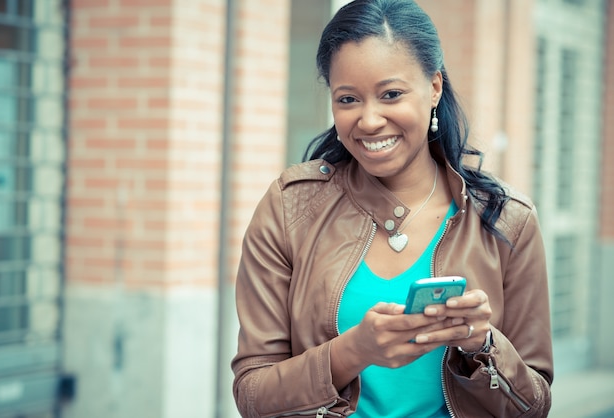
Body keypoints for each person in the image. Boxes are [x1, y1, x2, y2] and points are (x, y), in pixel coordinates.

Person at [231, 0, 554, 416]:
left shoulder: (508, 220)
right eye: (348, 99)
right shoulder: (290, 207)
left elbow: (535, 406)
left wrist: (482, 345)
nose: (368, 120)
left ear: (434, 87)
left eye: (391, 94)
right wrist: (351, 352)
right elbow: (253, 397)